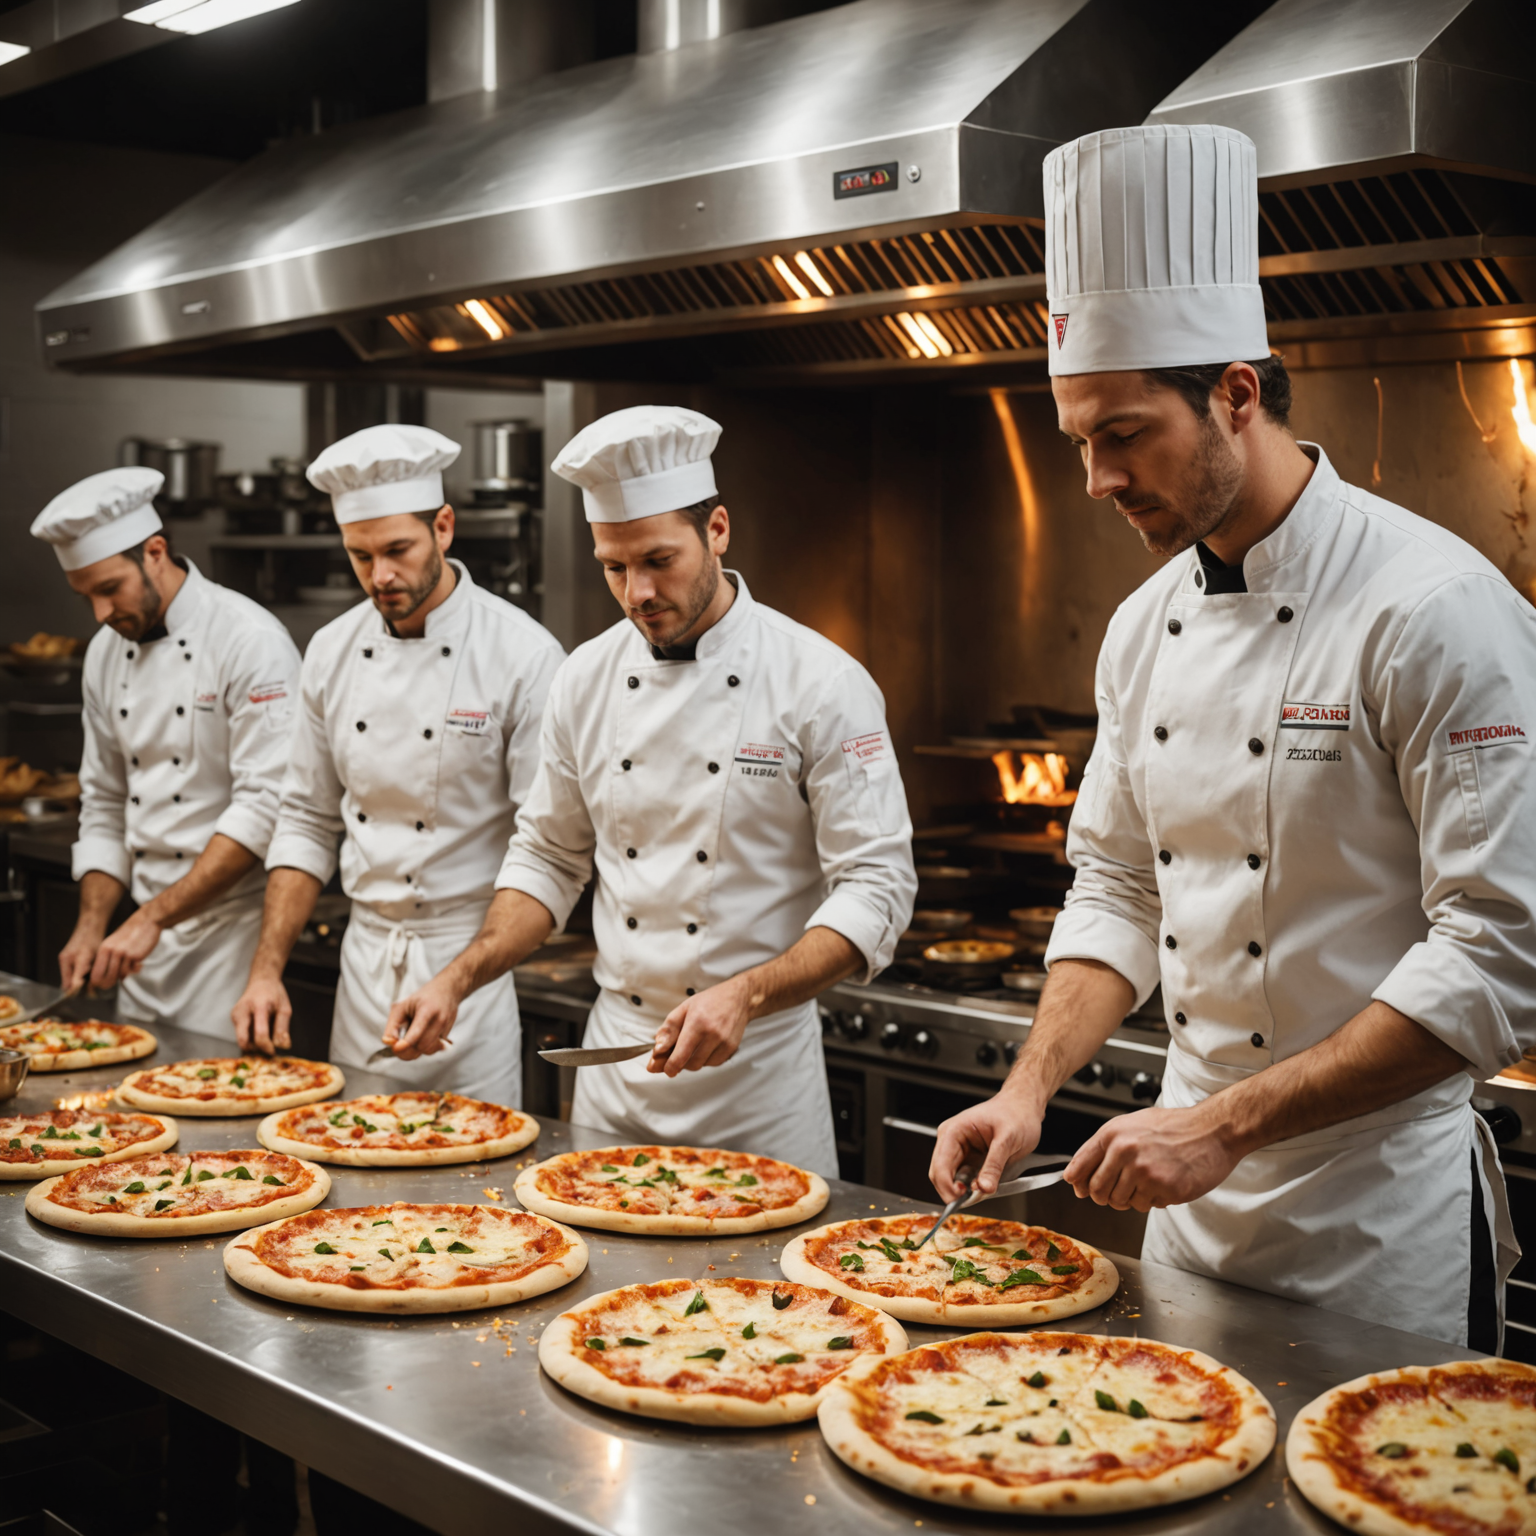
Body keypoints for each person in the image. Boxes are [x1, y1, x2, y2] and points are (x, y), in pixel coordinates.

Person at [930, 123, 1536, 1350]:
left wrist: (1226, 1123)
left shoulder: (1435, 607)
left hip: (1378, 1218)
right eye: (1076, 442)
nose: (1096, 480)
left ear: (1237, 394)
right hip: (1188, 1207)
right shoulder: (1144, 624)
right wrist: (1028, 1086)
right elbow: (1117, 881)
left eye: (1122, 435)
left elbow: (1500, 952)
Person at [379, 405, 917, 1175]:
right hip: (613, 1073)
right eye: (613, 567)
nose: (636, 592)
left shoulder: (823, 682)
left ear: (719, 531)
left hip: (757, 1077)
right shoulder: (584, 679)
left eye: (659, 560)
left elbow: (876, 887)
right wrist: (458, 977)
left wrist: (746, 993)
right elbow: (548, 857)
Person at [231, 425, 563, 1105]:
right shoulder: (328, 649)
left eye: (397, 550)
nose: (380, 576)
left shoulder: (524, 655)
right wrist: (266, 970)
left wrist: (459, 978)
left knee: (480, 1187)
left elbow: (548, 847)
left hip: (470, 965)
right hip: (365, 961)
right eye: (360, 556)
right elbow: (305, 817)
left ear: (443, 527)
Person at [33, 467, 300, 1029]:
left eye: (109, 589)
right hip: (140, 946)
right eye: (86, 597)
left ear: (155, 551)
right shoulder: (106, 652)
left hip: (229, 938)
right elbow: (104, 801)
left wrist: (152, 917)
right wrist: (92, 924)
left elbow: (263, 809)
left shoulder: (250, 640)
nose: (101, 615)